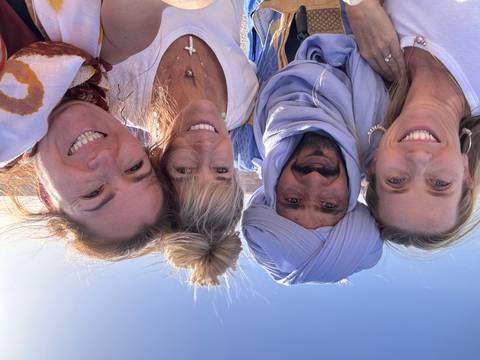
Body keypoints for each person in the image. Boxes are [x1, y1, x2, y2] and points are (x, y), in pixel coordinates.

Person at [0, 0, 176, 260]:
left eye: (93, 193)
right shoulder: (113, 39)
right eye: (134, 167)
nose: (105, 158)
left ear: (47, 197)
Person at [104, 0, 258, 285]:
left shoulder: (117, 89)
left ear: (159, 159)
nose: (206, 147)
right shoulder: (246, 98)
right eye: (221, 172)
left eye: (184, 170)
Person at [242, 34, 386, 284]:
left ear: (273, 192)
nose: (313, 179)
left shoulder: (246, 140)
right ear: (351, 199)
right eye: (329, 206)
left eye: (293, 200)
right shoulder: (385, 127)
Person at [345, 0, 480, 249]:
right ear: (465, 172)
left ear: (374, 164)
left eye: (396, 181)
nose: (418, 158)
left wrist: (359, 7)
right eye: (439, 184)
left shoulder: (361, 64)